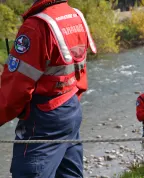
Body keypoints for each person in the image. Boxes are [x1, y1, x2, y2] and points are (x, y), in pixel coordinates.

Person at [0, 0, 97, 177]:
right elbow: (79, 72)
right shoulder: (75, 15)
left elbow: (15, 91)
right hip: (71, 108)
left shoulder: (36, 27)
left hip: (43, 121)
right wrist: (70, 102)